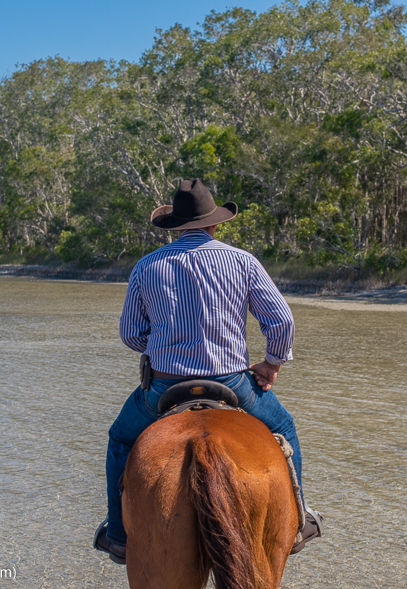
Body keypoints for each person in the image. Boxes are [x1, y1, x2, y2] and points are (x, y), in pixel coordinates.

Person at [93, 179, 322, 564]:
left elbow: (130, 334)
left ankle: (118, 537)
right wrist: (271, 364)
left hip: (164, 386)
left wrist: (163, 344)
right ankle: (299, 523)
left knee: (119, 440)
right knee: (283, 428)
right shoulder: (242, 261)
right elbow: (281, 321)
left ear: (175, 226)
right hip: (233, 382)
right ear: (215, 223)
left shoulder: (147, 265)